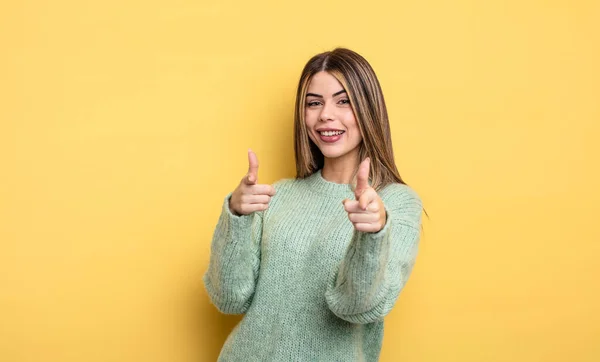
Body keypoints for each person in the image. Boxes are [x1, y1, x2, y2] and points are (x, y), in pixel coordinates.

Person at [203, 48, 423, 361]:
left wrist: (372, 235)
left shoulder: (396, 204)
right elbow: (229, 298)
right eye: (313, 103)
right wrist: (236, 216)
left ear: (369, 108)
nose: (325, 115)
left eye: (343, 100)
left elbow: (357, 307)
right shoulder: (277, 194)